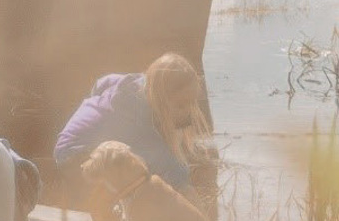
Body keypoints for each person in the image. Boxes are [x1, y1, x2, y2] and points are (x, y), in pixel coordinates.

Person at [55, 53, 217, 216]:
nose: (188, 112)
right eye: (181, 105)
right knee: (144, 180)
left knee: (142, 182)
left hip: (74, 148)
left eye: (191, 102)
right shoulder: (138, 118)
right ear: (161, 97)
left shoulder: (137, 84)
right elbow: (173, 170)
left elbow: (102, 83)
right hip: (79, 158)